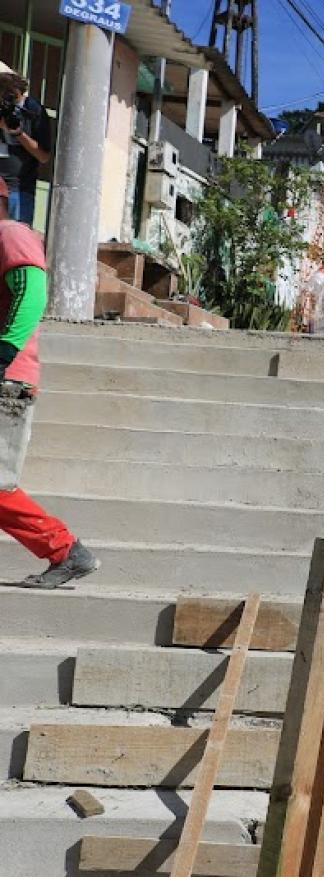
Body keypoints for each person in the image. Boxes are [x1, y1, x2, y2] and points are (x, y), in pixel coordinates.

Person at [0, 177, 99, 587]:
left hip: (8, 381)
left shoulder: (9, 233)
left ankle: (65, 550)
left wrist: (3, 352)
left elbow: (33, 292)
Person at [0, 74, 51, 226]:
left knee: (16, 238)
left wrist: (18, 134)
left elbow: (43, 156)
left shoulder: (33, 110)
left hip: (20, 190)